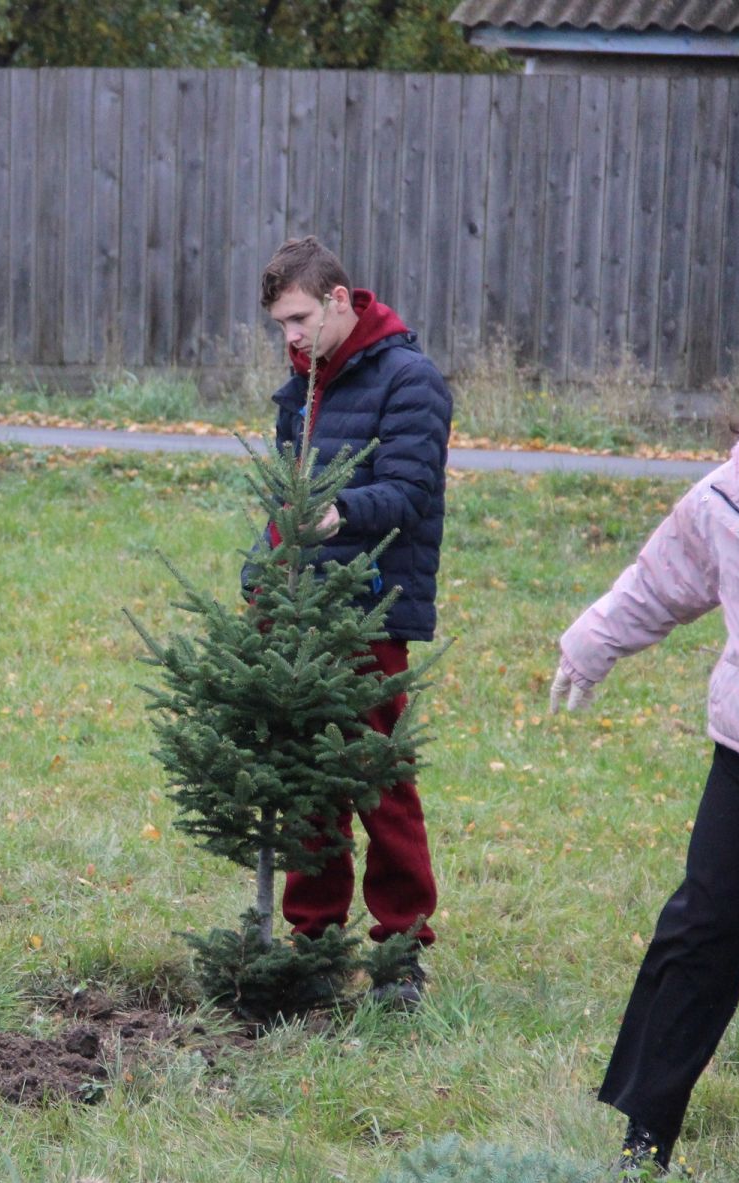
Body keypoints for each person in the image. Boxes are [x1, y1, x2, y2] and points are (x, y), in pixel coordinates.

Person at [552, 391, 739, 1175]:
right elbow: (662, 580)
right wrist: (593, 641)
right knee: (701, 932)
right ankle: (647, 1134)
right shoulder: (725, 499)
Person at [259, 236, 452, 1003]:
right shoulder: (303, 386)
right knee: (310, 781)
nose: (292, 337)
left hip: (371, 608)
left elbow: (408, 492)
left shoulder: (410, 380)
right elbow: (284, 501)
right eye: (280, 325)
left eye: (300, 318)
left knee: (379, 780)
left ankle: (401, 951)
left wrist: (337, 514)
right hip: (302, 608)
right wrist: (261, 571)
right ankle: (311, 942)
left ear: (340, 299)